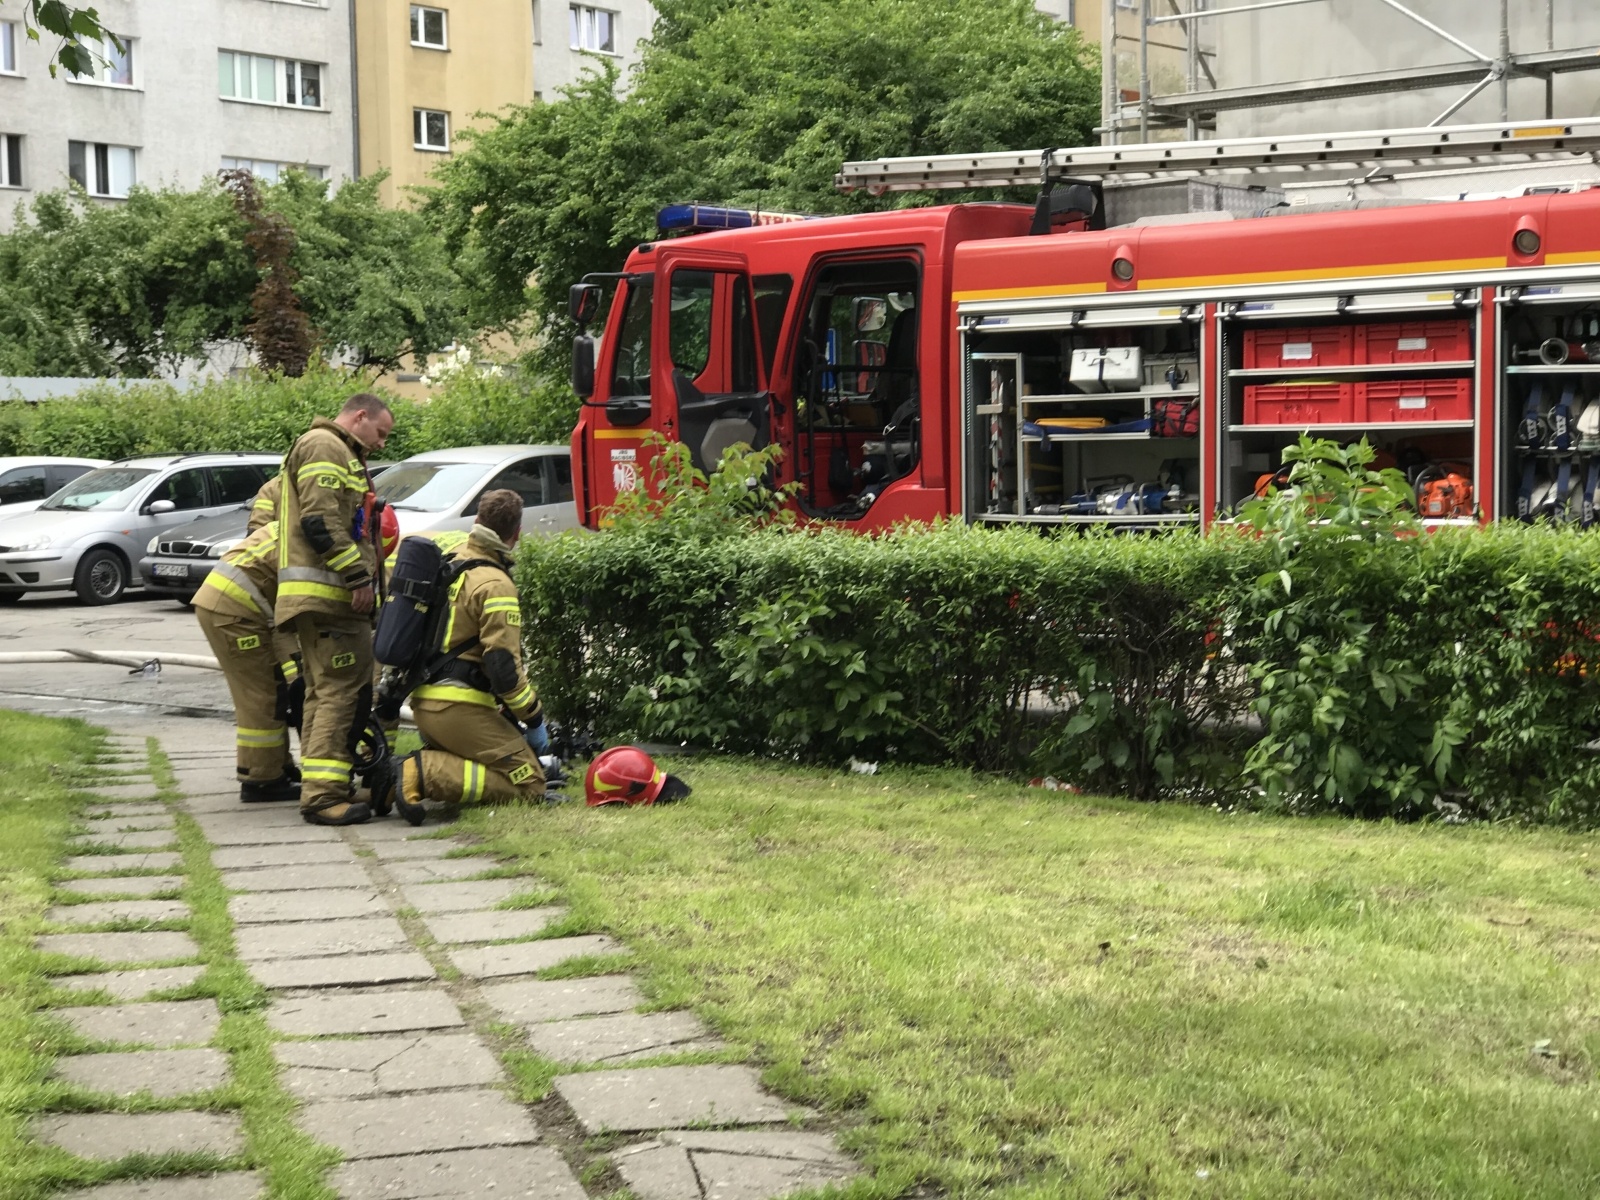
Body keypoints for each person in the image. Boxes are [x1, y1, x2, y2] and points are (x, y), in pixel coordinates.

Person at [376, 489, 545, 824]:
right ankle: (418, 773)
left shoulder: (451, 559)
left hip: (426, 704)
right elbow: (503, 670)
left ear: (477, 520)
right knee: (531, 783)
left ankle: (389, 784)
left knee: (495, 762)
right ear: (516, 534)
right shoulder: (495, 584)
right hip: (459, 709)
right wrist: (534, 718)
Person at [275, 392, 393, 825]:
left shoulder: (337, 449)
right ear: (360, 416)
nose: (382, 444)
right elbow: (319, 521)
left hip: (321, 599)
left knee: (323, 693)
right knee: (341, 693)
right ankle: (324, 797)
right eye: (380, 432)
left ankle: (324, 785)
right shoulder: (326, 446)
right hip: (330, 598)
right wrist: (358, 578)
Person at [192, 521, 302, 801]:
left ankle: (277, 764)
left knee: (273, 688)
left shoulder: (299, 526)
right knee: (262, 696)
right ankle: (262, 780)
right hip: (236, 613)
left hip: (232, 606)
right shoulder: (309, 544)